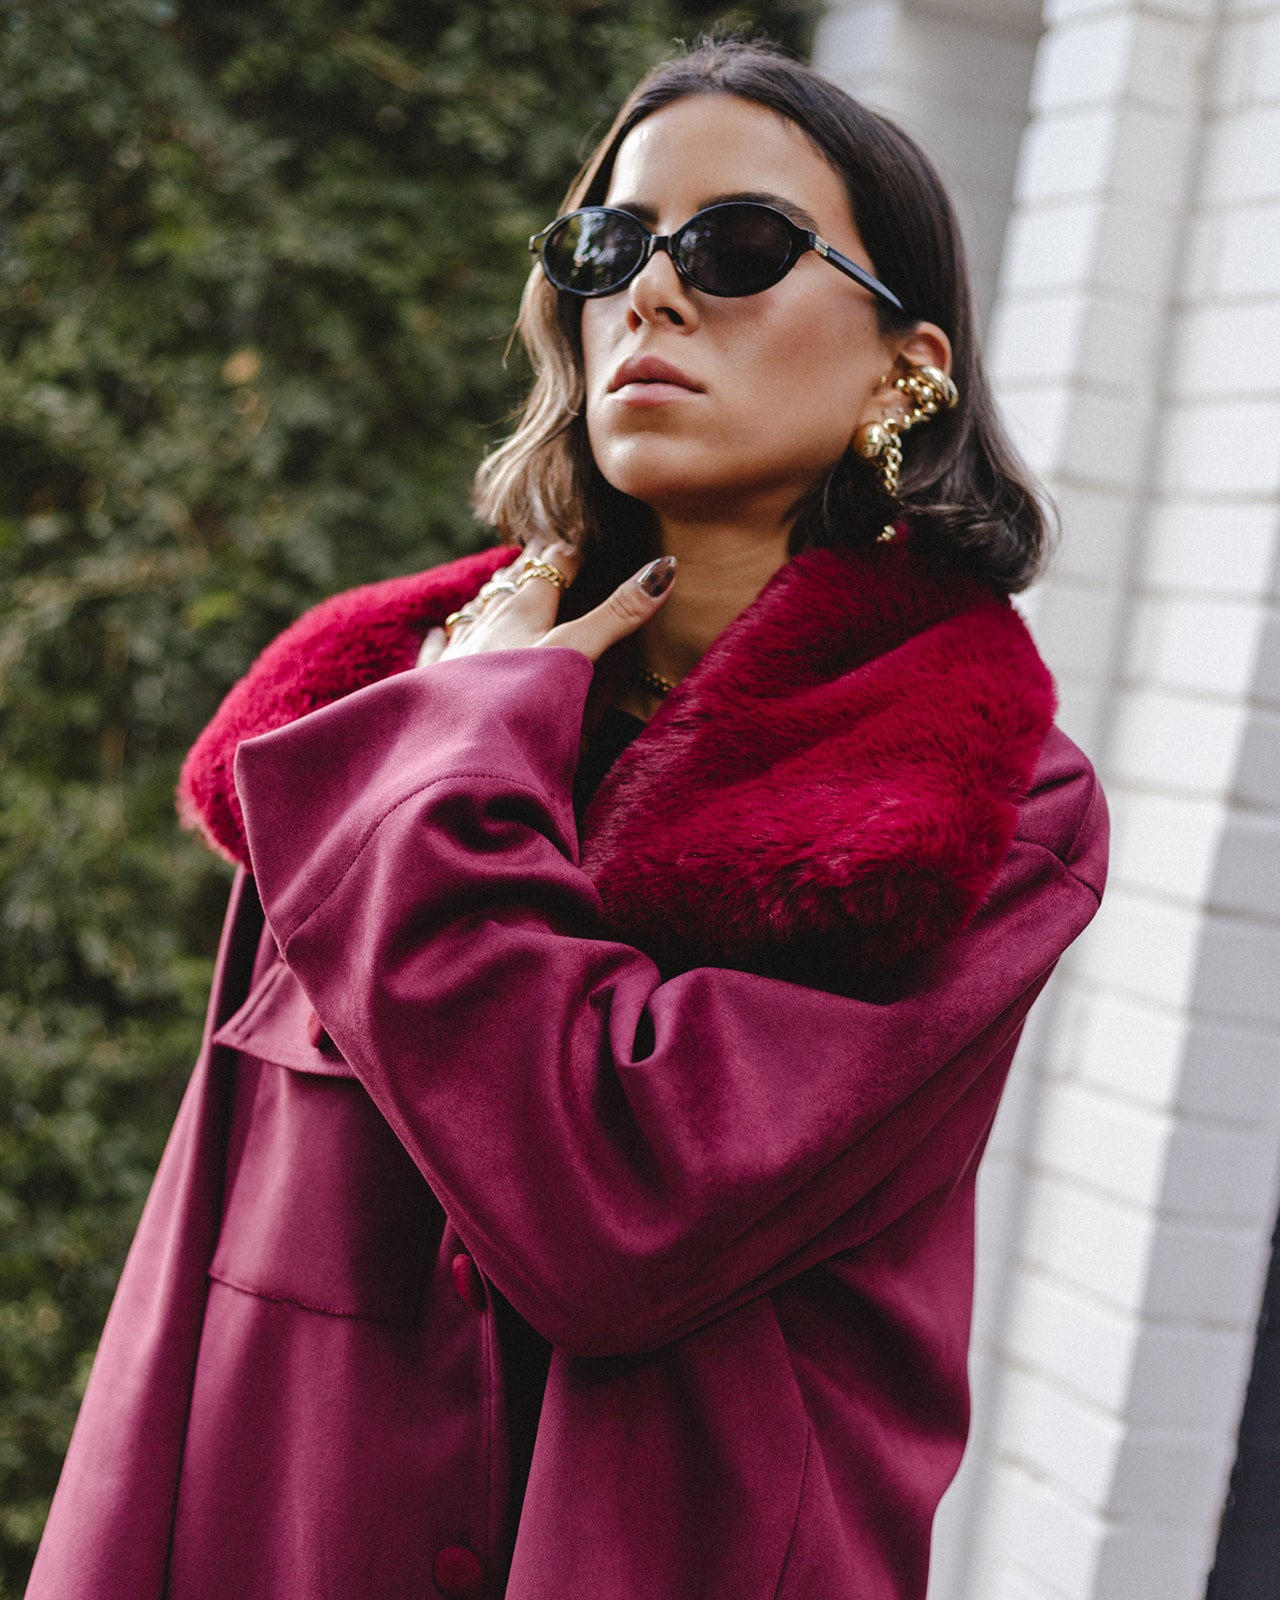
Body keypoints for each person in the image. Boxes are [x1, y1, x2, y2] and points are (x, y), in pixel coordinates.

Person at [27, 36, 1106, 1600]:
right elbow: (191, 1271)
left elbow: (614, 1215)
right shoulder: (366, 704)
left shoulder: (974, 797)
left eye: (735, 249)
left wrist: (459, 769)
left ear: (905, 368)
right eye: (610, 248)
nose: (651, 298)